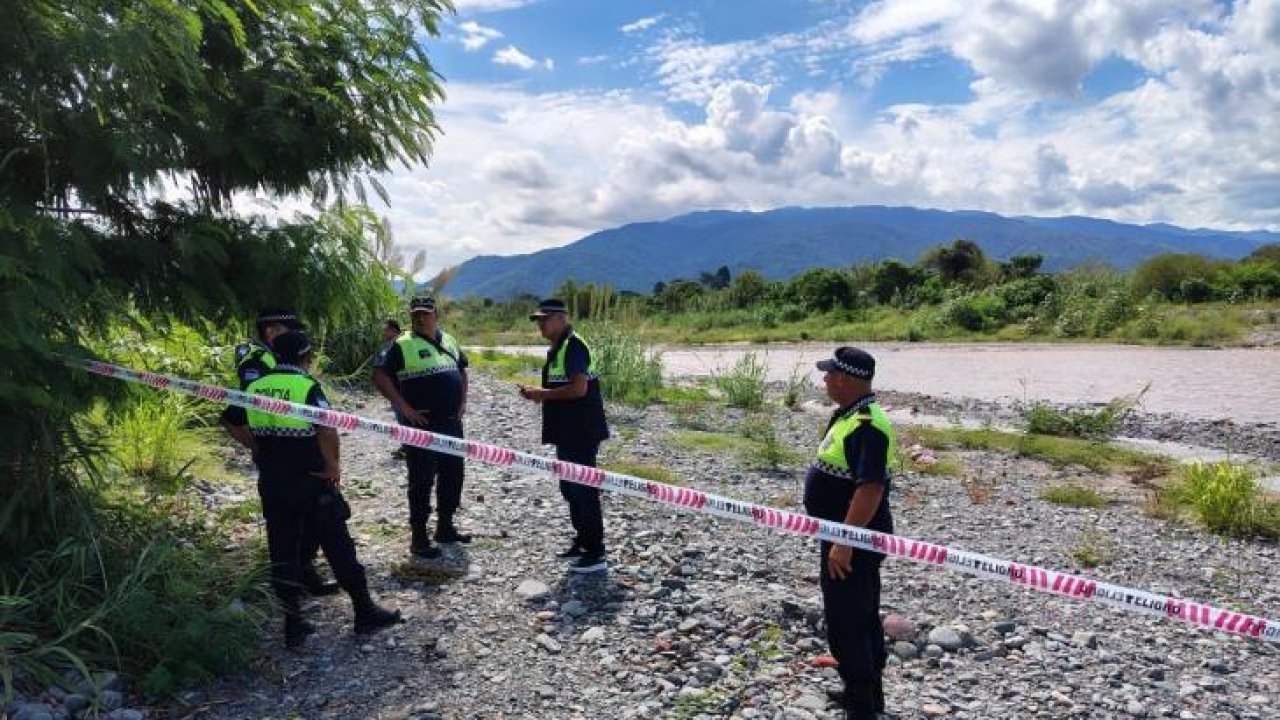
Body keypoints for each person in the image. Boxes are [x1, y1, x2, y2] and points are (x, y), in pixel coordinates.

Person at [222, 331, 401, 649]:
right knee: (338, 546)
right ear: (306, 357)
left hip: (274, 483)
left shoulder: (254, 386)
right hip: (311, 481)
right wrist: (333, 467)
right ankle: (364, 611)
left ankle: (293, 625)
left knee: (282, 551)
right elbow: (326, 428)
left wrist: (255, 446)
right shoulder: (305, 386)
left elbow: (230, 420)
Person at [803, 347, 896, 720]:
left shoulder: (867, 426)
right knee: (862, 612)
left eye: (829, 375)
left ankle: (861, 703)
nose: (824, 380)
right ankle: (866, 690)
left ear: (844, 379)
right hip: (845, 537)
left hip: (853, 541)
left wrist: (845, 541)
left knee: (847, 619)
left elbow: (870, 488)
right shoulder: (849, 416)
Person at [230, 308, 337, 596]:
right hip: (282, 453)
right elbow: (237, 411)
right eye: (292, 331)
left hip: (300, 448)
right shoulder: (254, 361)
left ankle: (305, 571)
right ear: (272, 331)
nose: (299, 337)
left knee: (309, 522)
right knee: (297, 524)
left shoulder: (276, 358)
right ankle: (296, 584)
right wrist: (255, 446)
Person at [372, 296, 472, 560]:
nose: (420, 317)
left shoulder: (449, 340)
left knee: (453, 474)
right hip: (421, 425)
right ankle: (419, 537)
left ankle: (445, 527)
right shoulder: (401, 344)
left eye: (426, 313)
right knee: (421, 479)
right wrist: (403, 407)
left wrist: (462, 403)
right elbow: (379, 375)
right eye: (416, 313)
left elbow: (462, 371)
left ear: (436, 314)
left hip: (451, 422)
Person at [517, 299, 610, 574]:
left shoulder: (574, 346)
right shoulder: (558, 348)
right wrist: (539, 393)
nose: (540, 325)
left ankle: (595, 551)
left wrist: (541, 394)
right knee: (570, 489)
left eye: (544, 320)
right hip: (566, 432)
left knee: (584, 489)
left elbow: (579, 389)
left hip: (581, 431)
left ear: (560, 319)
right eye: (538, 320)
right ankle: (581, 541)